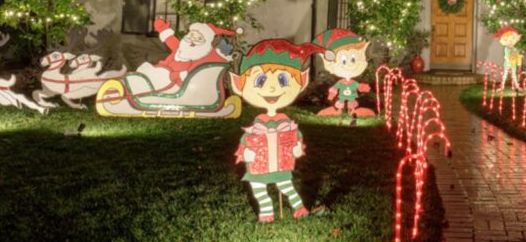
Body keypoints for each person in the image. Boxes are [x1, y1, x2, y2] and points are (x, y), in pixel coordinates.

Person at [230, 38, 324, 222]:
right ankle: (266, 213)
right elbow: (245, 139)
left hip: (281, 164)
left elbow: (296, 136)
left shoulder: (286, 123)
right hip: (259, 166)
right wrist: (246, 152)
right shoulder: (256, 124)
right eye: (260, 80)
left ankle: (299, 210)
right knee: (259, 189)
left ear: (301, 82)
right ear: (239, 84)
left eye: (282, 80)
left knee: (287, 187)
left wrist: (297, 147)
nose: (272, 87)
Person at [136, 19, 237, 90]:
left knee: (151, 79)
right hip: (161, 71)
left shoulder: (197, 58)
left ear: (205, 44)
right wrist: (163, 29)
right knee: (145, 73)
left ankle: (142, 86)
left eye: (199, 38)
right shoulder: (180, 47)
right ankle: (138, 84)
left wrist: (223, 53)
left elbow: (214, 57)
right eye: (192, 35)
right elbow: (170, 39)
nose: (193, 40)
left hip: (174, 84)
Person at [314, 28, 375, 117]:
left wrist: (363, 87)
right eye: (343, 60)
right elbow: (335, 88)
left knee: (352, 103)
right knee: (340, 103)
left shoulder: (353, 83)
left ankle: (353, 110)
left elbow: (358, 86)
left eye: (353, 59)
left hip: (351, 97)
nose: (350, 64)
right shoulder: (340, 83)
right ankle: (338, 110)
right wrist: (331, 94)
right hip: (342, 97)